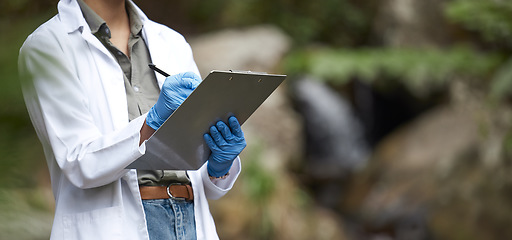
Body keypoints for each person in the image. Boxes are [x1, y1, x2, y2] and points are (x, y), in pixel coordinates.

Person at [18, 0, 246, 239]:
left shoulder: (172, 42)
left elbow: (196, 168)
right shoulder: (47, 47)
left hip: (190, 220)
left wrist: (218, 166)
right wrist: (151, 123)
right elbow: (79, 162)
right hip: (113, 228)